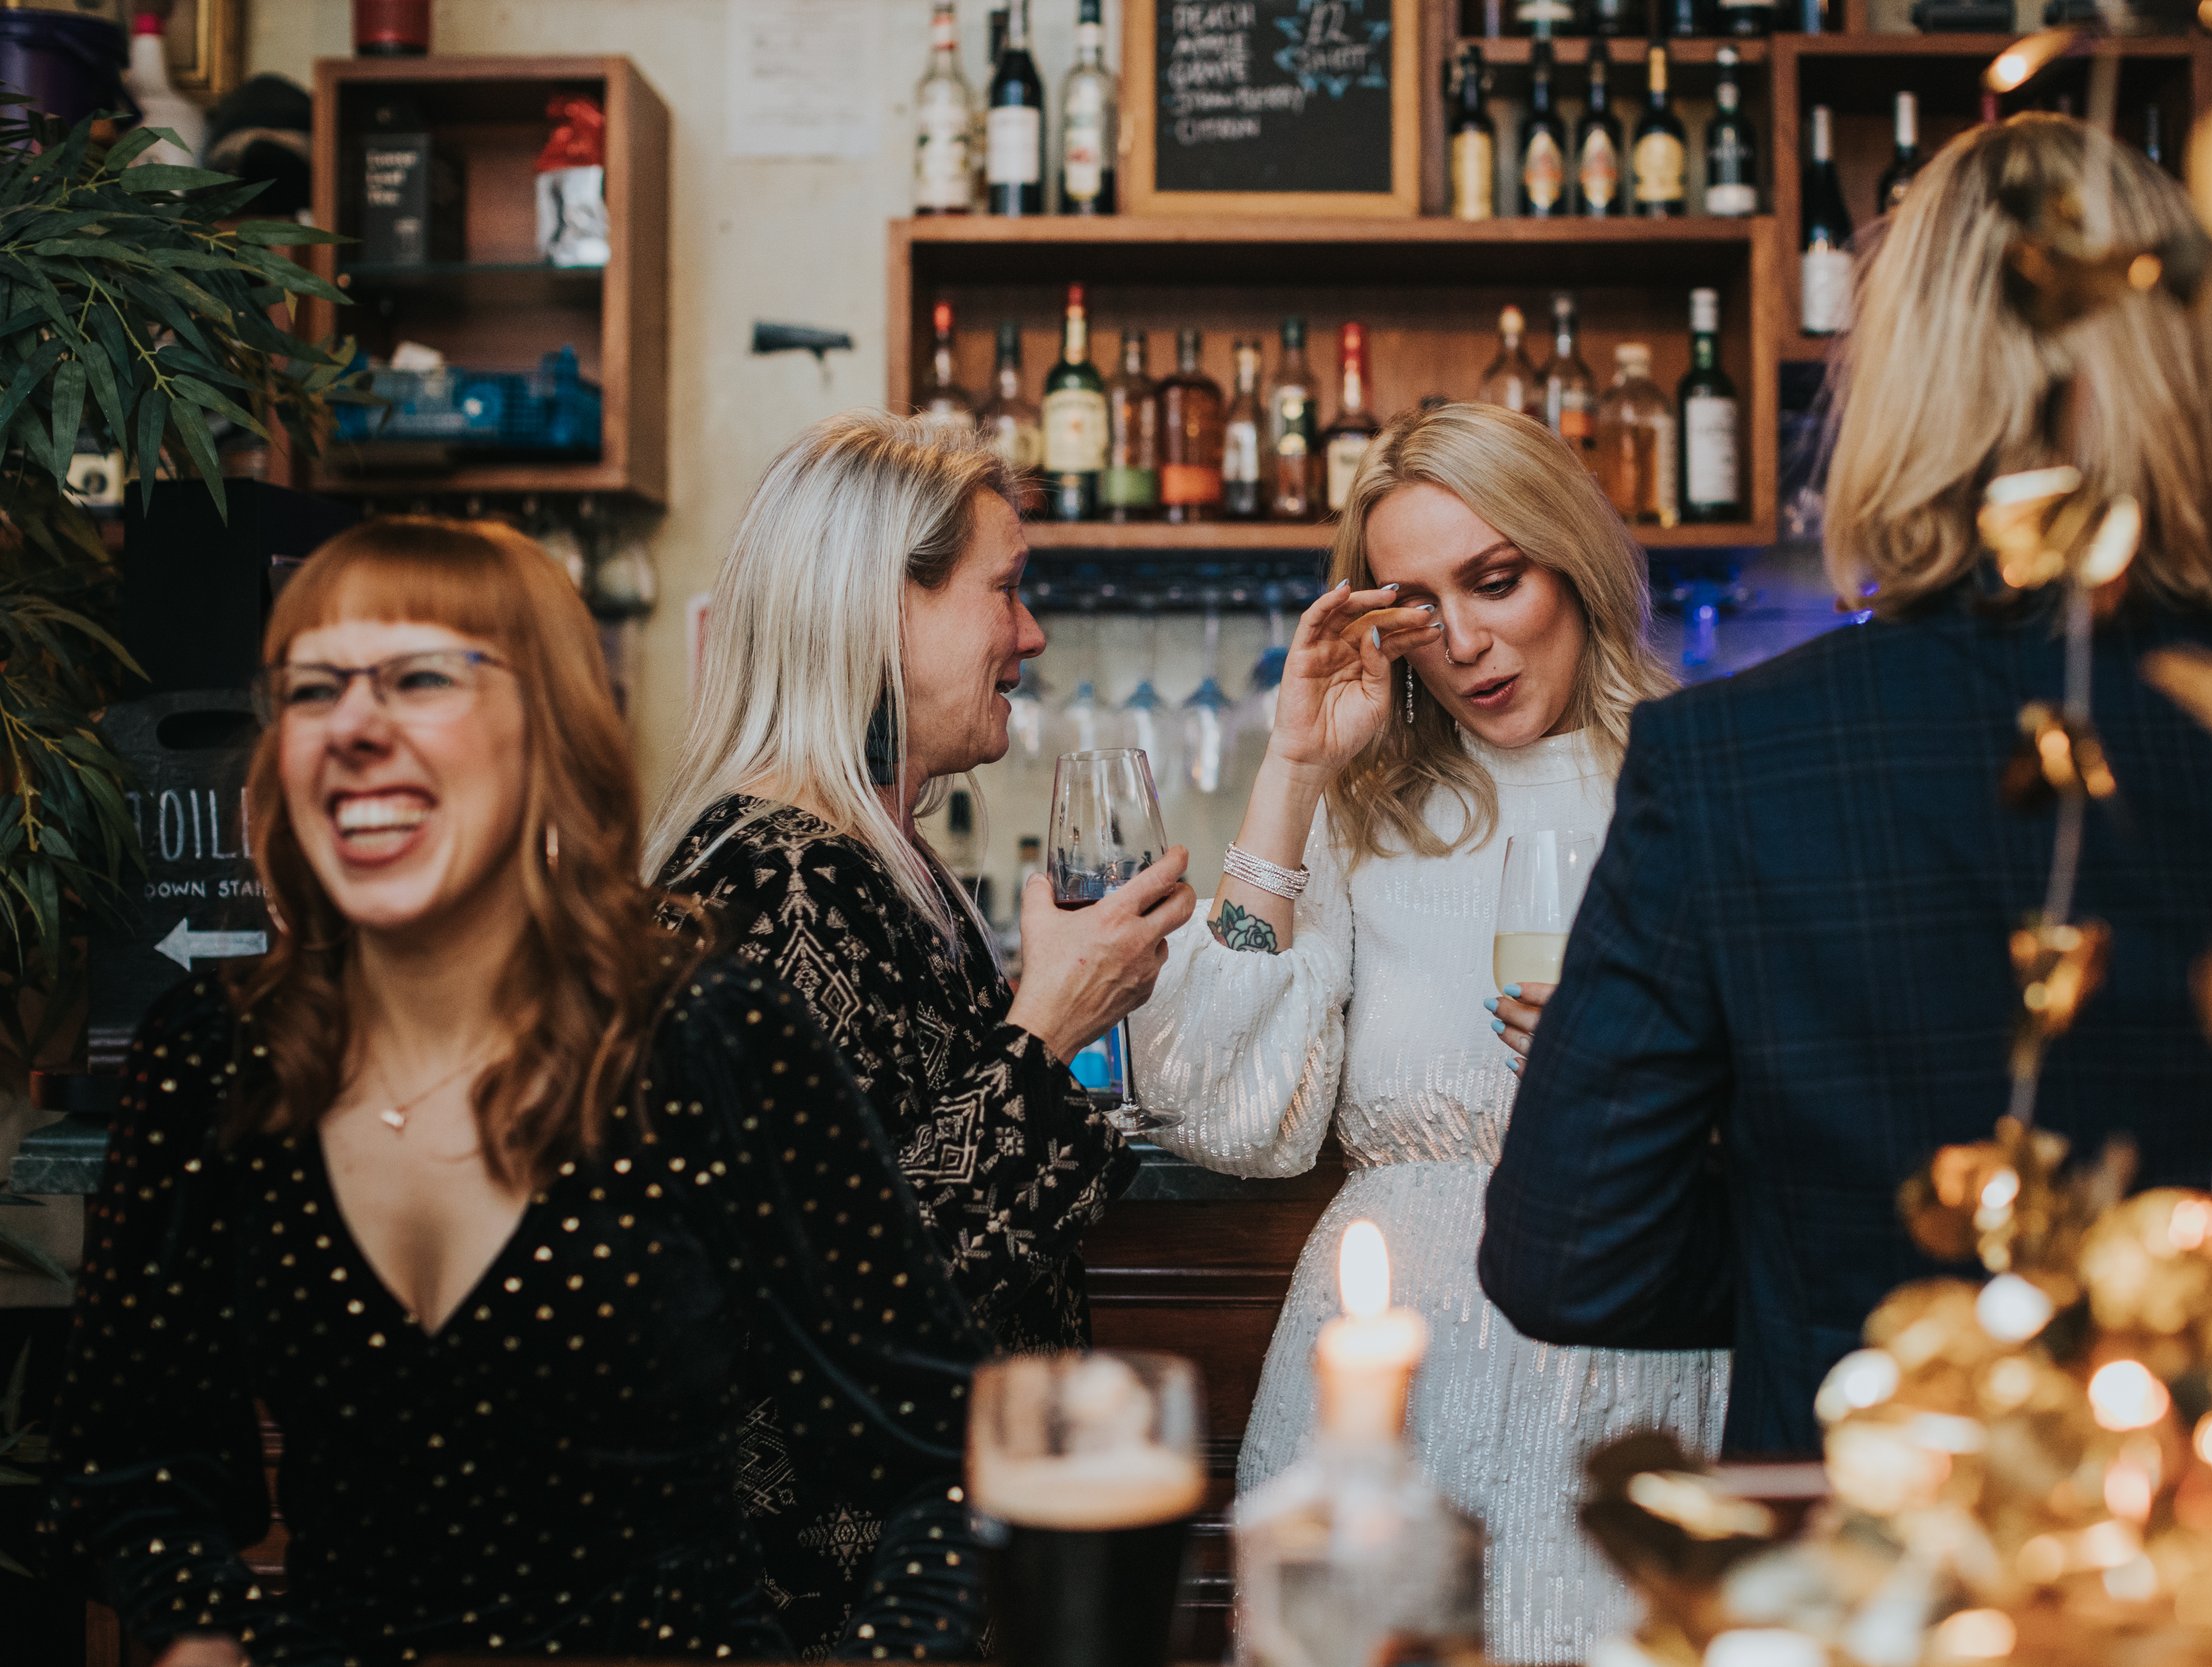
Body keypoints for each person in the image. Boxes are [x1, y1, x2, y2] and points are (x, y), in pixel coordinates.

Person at [47, 518, 990, 1665]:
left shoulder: (710, 1043)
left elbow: (936, 1456)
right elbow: (135, 1461)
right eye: (311, 689)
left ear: (548, 735)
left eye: (420, 680)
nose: (352, 725)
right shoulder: (211, 1058)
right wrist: (204, 1637)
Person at [1480, 114, 2212, 1460]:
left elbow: (1569, 1257)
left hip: (1871, 1543)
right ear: (2196, 358)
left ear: (1893, 382)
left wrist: (1822, 1263)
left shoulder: (1728, 759)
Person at [1133, 401, 1728, 1665]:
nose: (1463, 642)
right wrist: (1292, 768)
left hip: (1633, 1369)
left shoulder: (1710, 783)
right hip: (1384, 1394)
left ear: (1571, 558)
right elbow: (1225, 1115)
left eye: (1497, 580)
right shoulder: (1361, 813)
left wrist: (1656, 1080)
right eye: (1417, 605)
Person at [645, 415, 1191, 1646]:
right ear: (877, 607)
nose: (1031, 634)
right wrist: (1047, 1024)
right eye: (1006, 589)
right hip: (840, 1595)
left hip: (922, 1562)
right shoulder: (777, 885)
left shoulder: (869, 863)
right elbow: (861, 1299)